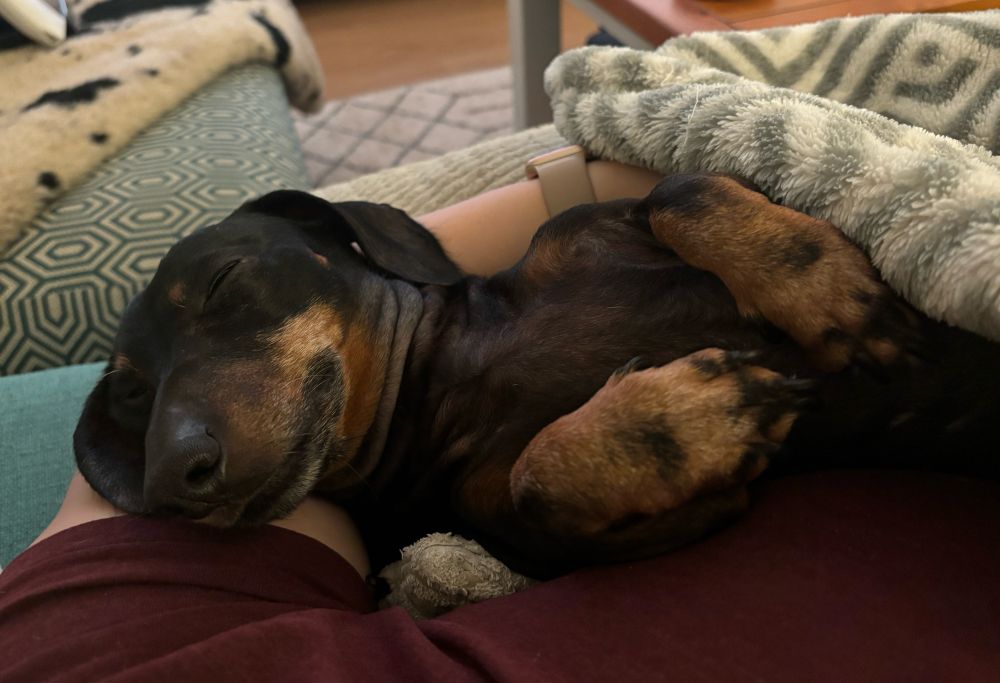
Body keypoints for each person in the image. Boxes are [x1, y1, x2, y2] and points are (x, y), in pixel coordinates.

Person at [1, 161, 998, 682]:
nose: (184, 442)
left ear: (339, 244)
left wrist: (733, 226)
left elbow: (668, 189)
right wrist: (584, 474)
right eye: (145, 403)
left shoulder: (561, 256)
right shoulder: (492, 493)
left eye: (223, 285)